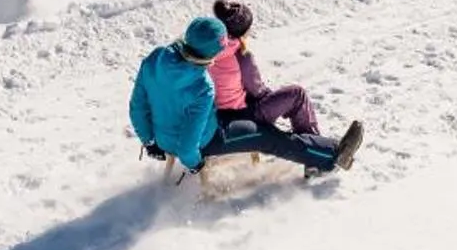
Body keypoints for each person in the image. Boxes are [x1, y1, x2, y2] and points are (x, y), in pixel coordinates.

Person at [131, 16, 361, 178]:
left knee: (251, 124)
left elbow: (137, 107)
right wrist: (194, 163)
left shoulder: (155, 58)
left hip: (163, 138)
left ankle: (316, 152)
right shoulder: (201, 86)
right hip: (206, 140)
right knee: (267, 136)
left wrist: (150, 142)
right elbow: (189, 142)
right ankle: (332, 155)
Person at [208, 0, 324, 137]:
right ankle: (315, 143)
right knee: (297, 95)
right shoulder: (241, 56)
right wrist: (275, 100)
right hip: (241, 117)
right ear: (243, 31)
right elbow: (258, 92)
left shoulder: (207, 49)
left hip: (216, 114)